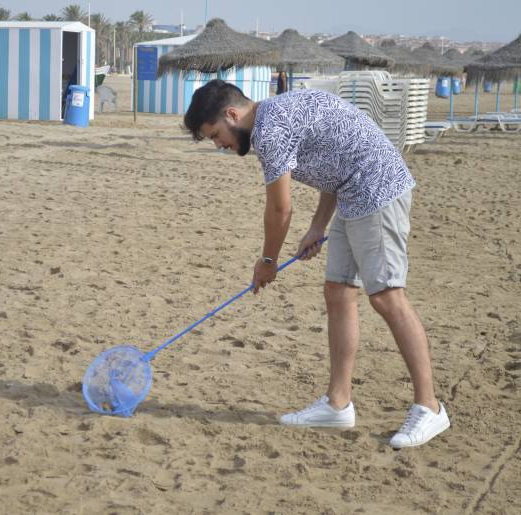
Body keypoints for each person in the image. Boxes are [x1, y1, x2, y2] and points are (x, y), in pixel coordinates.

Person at [182, 80, 450, 449]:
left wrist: (267, 261)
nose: (220, 146)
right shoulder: (276, 114)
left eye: (216, 135)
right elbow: (336, 160)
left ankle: (429, 406)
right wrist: (318, 227)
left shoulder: (270, 129)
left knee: (387, 296)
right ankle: (338, 404)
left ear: (232, 115)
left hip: (378, 188)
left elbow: (280, 209)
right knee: (338, 290)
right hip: (352, 192)